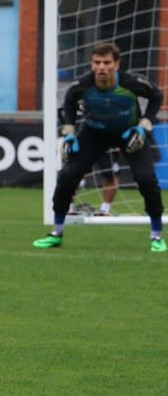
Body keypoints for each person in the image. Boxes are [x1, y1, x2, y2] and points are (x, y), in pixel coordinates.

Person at [34, 42, 166, 252]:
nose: (101, 67)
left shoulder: (131, 83)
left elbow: (157, 95)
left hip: (129, 133)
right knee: (68, 175)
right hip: (95, 133)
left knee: (146, 178)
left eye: (106, 62)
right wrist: (69, 132)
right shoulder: (83, 85)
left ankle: (157, 235)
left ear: (116, 64)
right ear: (92, 64)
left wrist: (144, 126)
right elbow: (69, 101)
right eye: (97, 62)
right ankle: (56, 232)